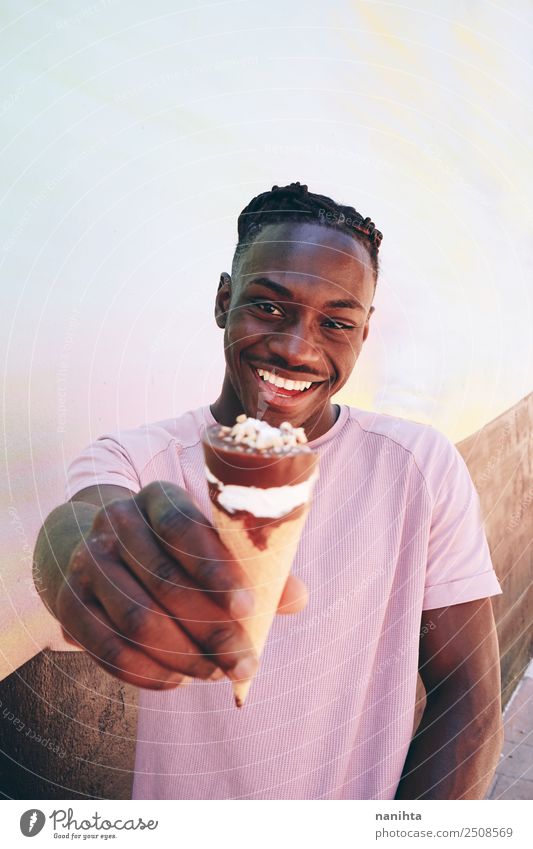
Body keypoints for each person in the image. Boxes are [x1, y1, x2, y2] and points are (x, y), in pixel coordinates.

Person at [34, 182, 504, 800]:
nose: (296, 348)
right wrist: (73, 563)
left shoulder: (418, 465)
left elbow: (467, 699)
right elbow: (83, 525)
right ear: (225, 299)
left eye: (336, 322)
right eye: (269, 307)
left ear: (363, 335)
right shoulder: (138, 456)